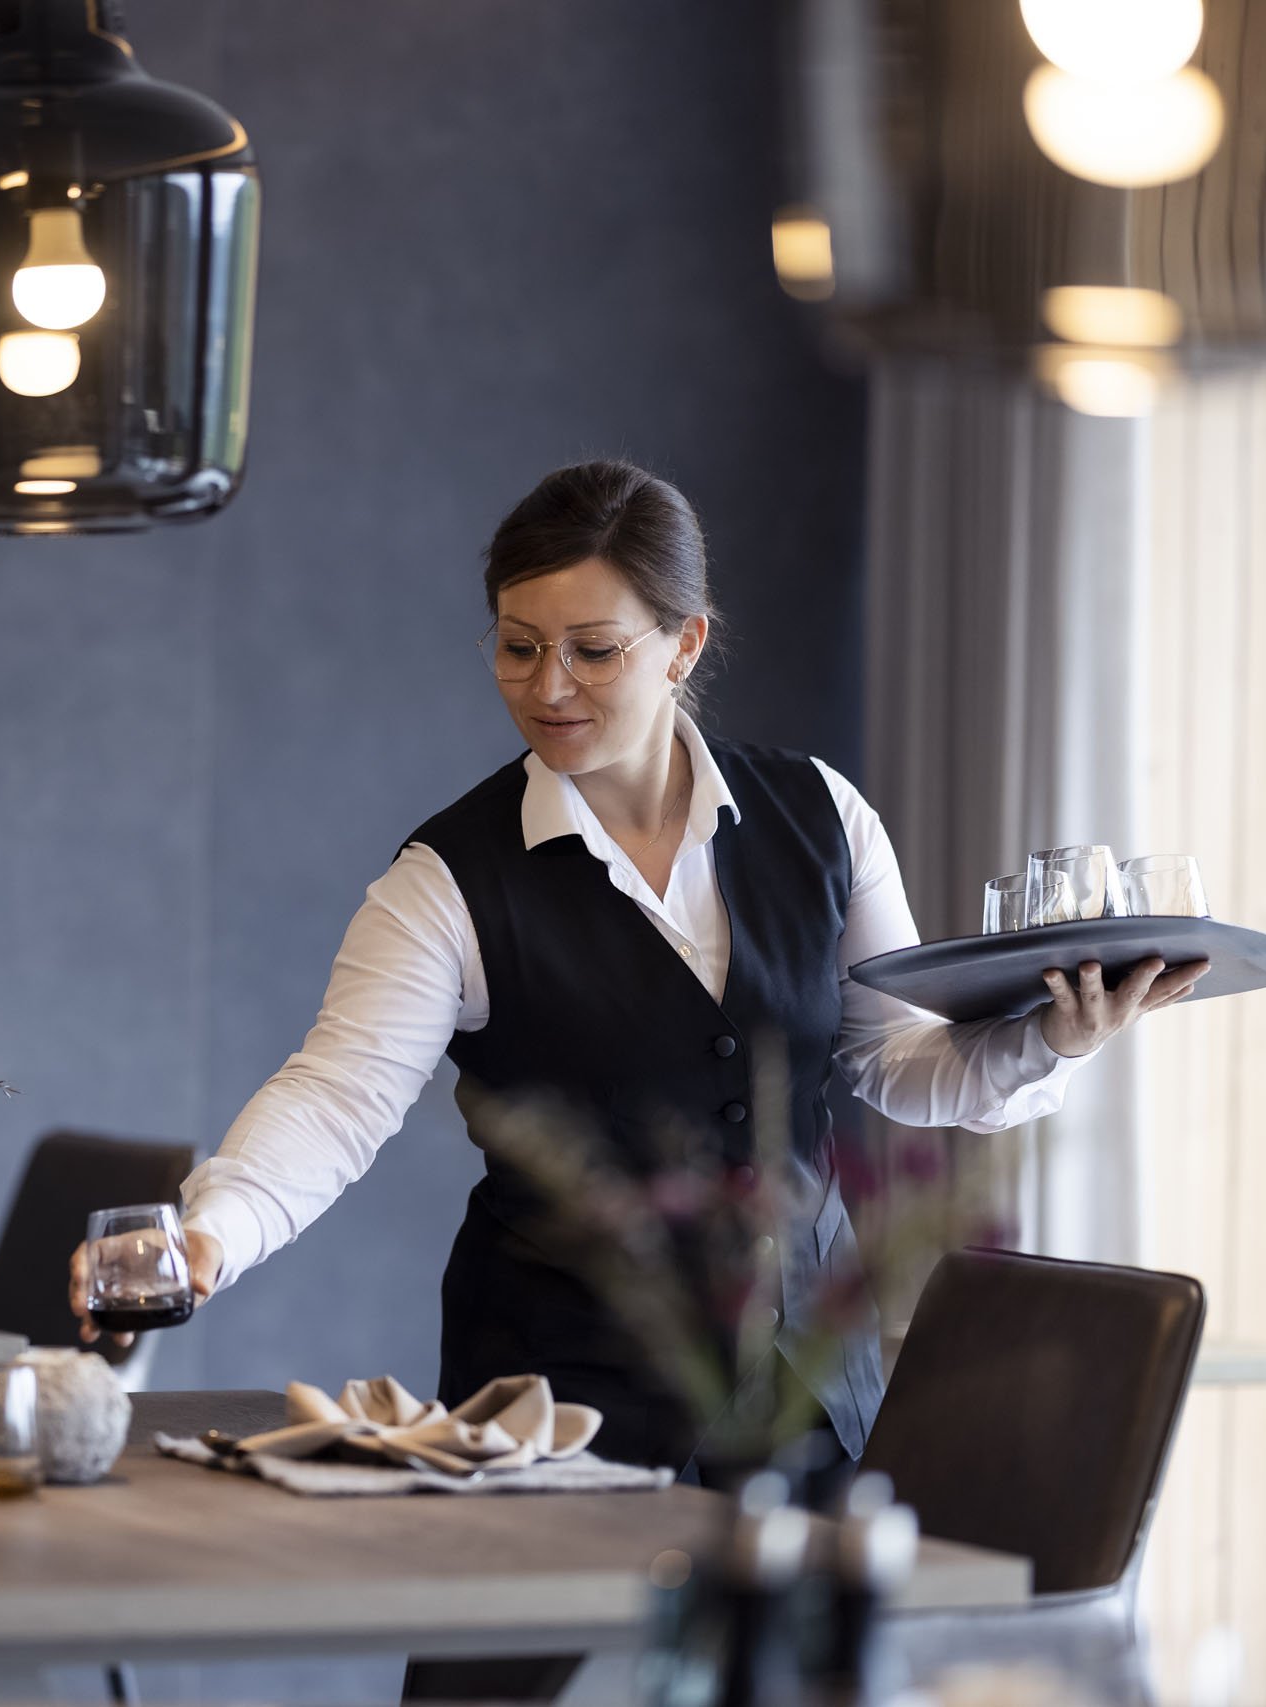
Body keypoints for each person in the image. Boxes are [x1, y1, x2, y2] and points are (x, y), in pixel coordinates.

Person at [68, 456, 1203, 1529]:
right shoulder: (446, 881)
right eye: (518, 647)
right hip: (557, 1415)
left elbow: (896, 1063)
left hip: (809, 1397)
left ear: (683, 643)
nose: (547, 685)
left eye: (593, 650)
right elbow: (335, 1097)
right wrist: (208, 1235)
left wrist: (1053, 1039)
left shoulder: (822, 816)